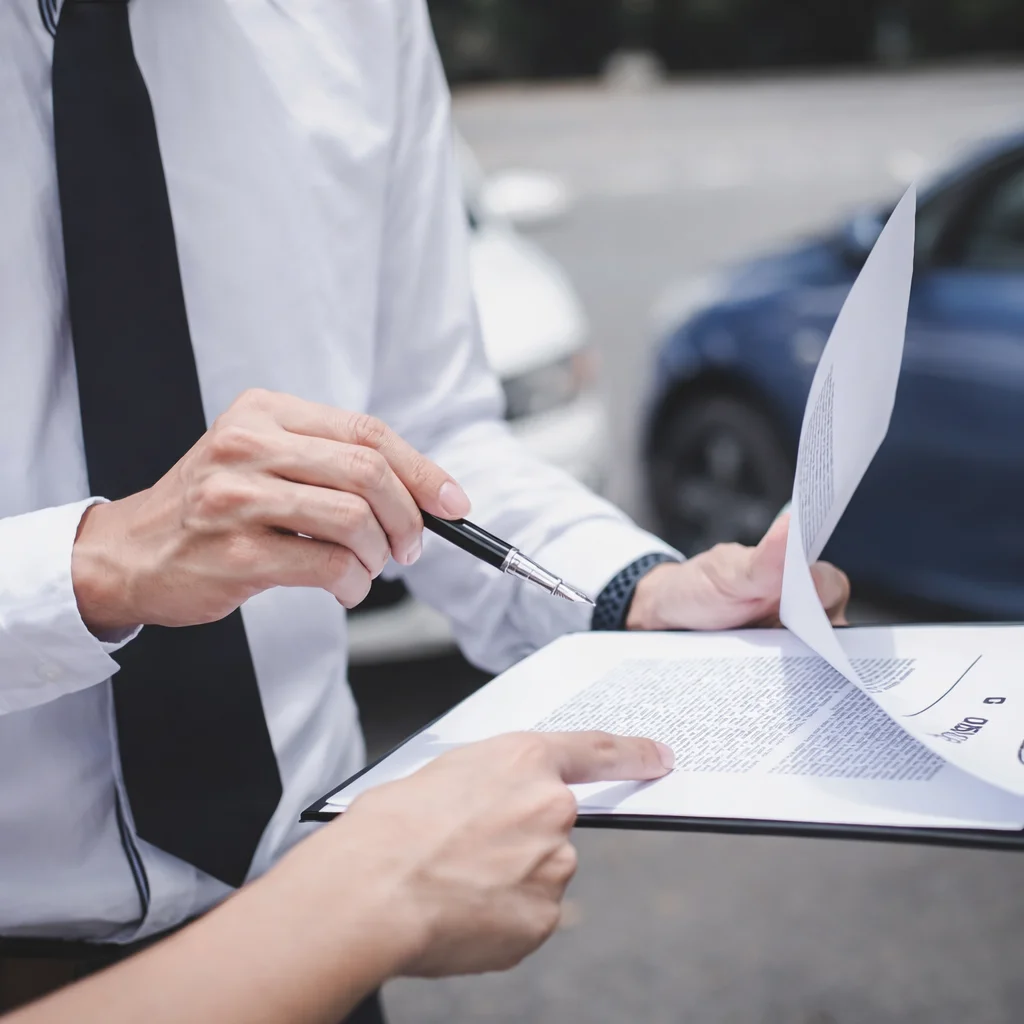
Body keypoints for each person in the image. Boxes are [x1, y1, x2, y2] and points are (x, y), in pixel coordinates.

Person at [0, 0, 850, 1018]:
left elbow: (427, 427)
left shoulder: (358, 18)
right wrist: (87, 567)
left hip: (318, 931)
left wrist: (639, 593)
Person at [2, 731, 675, 1023]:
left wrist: (630, 588)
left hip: (328, 938)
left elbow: (439, 452)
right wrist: (381, 891)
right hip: (31, 971)